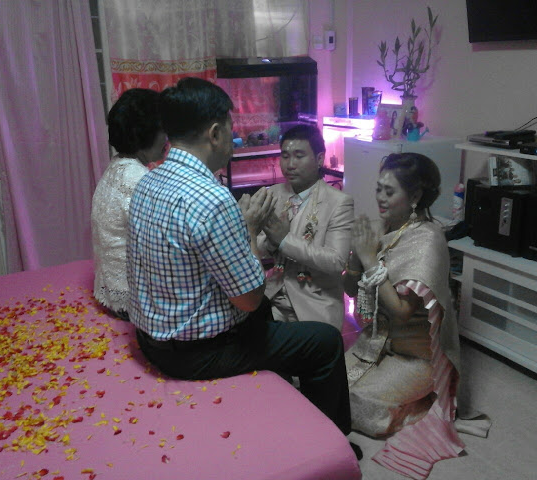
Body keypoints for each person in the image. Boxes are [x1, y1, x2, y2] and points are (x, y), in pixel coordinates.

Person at [127, 77, 361, 459]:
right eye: (231, 128)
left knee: (271, 316)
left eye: (299, 155)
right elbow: (249, 298)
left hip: (152, 337)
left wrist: (256, 235)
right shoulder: (212, 199)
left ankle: (293, 411)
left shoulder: (149, 181)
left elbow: (332, 262)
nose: (289, 163)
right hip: (194, 352)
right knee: (324, 342)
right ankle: (329, 448)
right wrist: (249, 229)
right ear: (215, 133)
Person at [343, 152, 464, 479]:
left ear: (414, 196)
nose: (380, 198)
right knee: (330, 382)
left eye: (389, 191)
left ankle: (425, 404)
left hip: (416, 357)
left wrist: (370, 260)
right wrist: (355, 256)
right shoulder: (384, 228)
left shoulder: (429, 240)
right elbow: (351, 291)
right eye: (378, 189)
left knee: (358, 404)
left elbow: (400, 313)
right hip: (377, 342)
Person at [257, 124, 354, 330]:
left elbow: (336, 261)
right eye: (285, 156)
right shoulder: (272, 194)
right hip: (273, 297)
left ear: (319, 159)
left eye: (299, 156)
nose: (290, 164)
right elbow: (253, 244)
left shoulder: (338, 202)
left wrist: (284, 240)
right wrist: (272, 243)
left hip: (315, 304)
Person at [91, 88, 167, 319]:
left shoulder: (115, 167)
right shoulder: (139, 180)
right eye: (163, 129)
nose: (166, 139)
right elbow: (162, 245)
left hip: (109, 289)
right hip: (134, 301)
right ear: (147, 134)